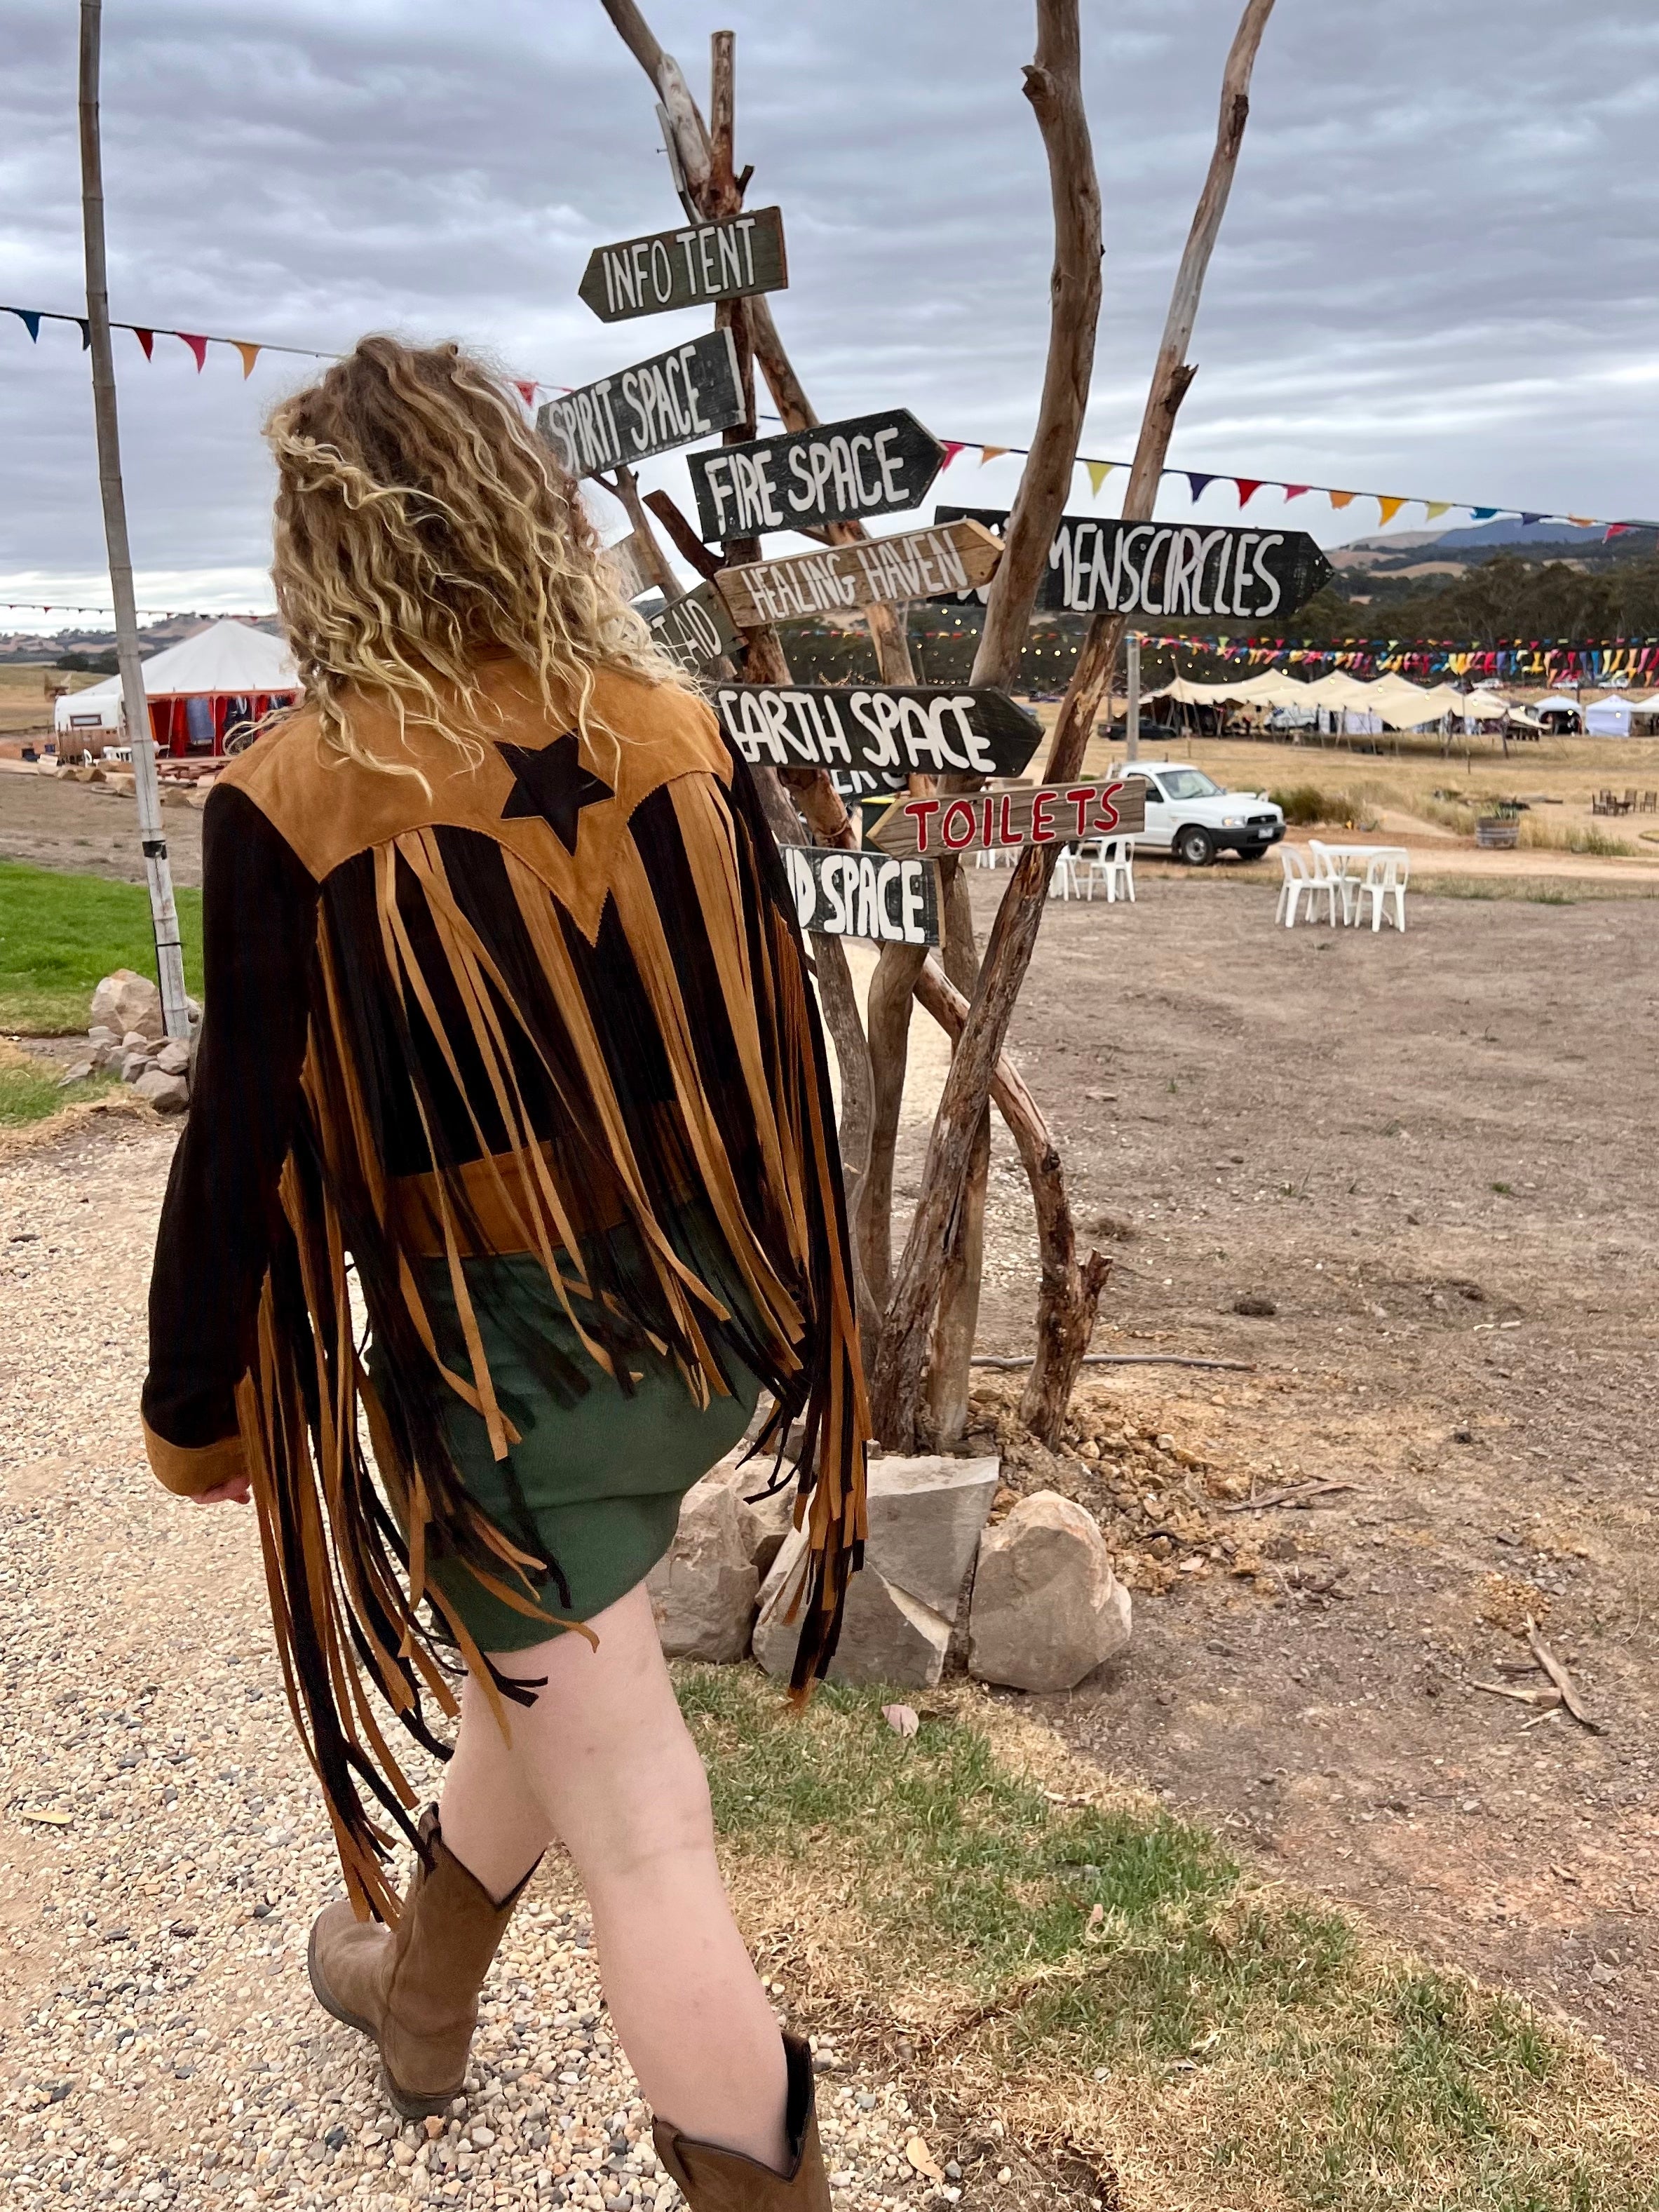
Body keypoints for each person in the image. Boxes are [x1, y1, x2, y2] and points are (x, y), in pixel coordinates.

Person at [141, 335, 868, 2211]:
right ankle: (421, 1992)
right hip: (702, 1321)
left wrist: (197, 1406)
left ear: (332, 546)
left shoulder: (300, 798)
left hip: (514, 1379)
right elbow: (779, 1044)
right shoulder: (674, 729)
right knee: (536, 1689)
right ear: (521, 511)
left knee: (648, 1830)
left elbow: (242, 1144)